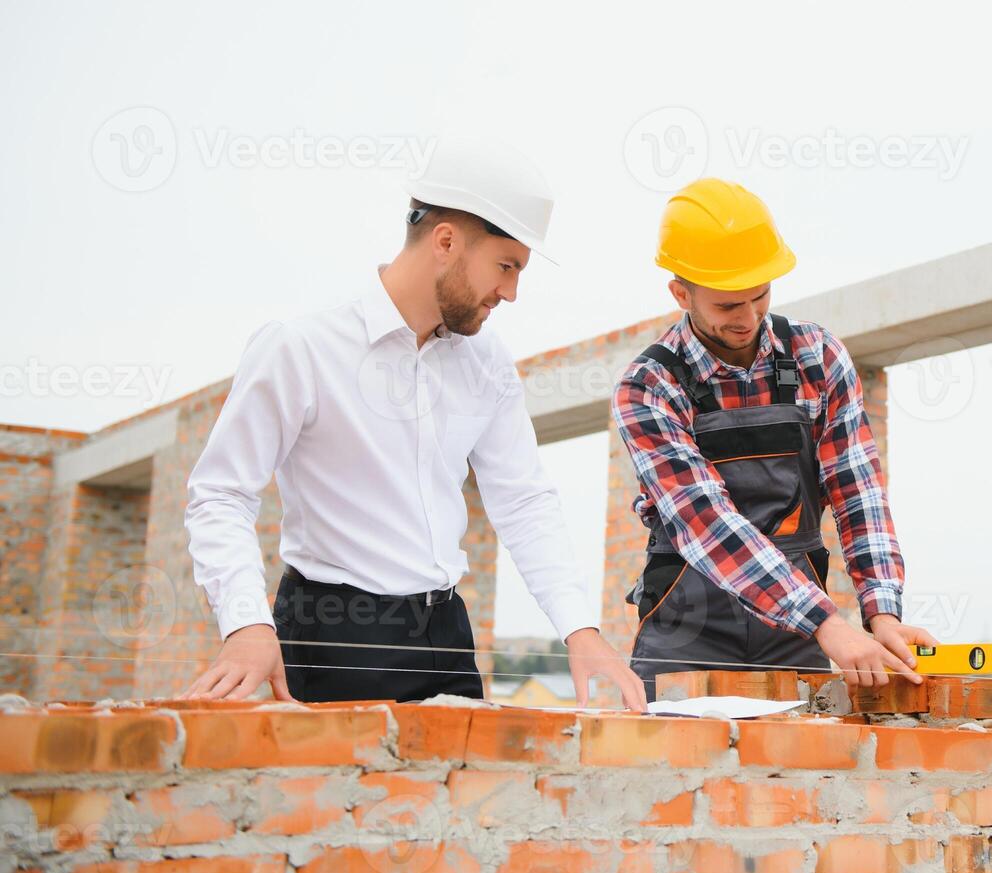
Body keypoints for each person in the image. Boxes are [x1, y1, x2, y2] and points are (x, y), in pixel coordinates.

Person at [181, 139, 646, 709]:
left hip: (447, 635)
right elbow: (220, 494)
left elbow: (523, 500)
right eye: (506, 266)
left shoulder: (487, 361)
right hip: (331, 636)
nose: (512, 292)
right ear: (446, 241)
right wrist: (247, 625)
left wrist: (580, 630)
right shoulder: (302, 348)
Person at [612, 177, 938, 700]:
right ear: (681, 293)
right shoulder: (650, 387)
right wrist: (828, 624)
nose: (747, 319)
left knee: (795, 772)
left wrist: (881, 613)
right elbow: (708, 522)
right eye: (726, 306)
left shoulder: (818, 357)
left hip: (795, 632)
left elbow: (859, 495)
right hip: (690, 626)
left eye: (759, 296)